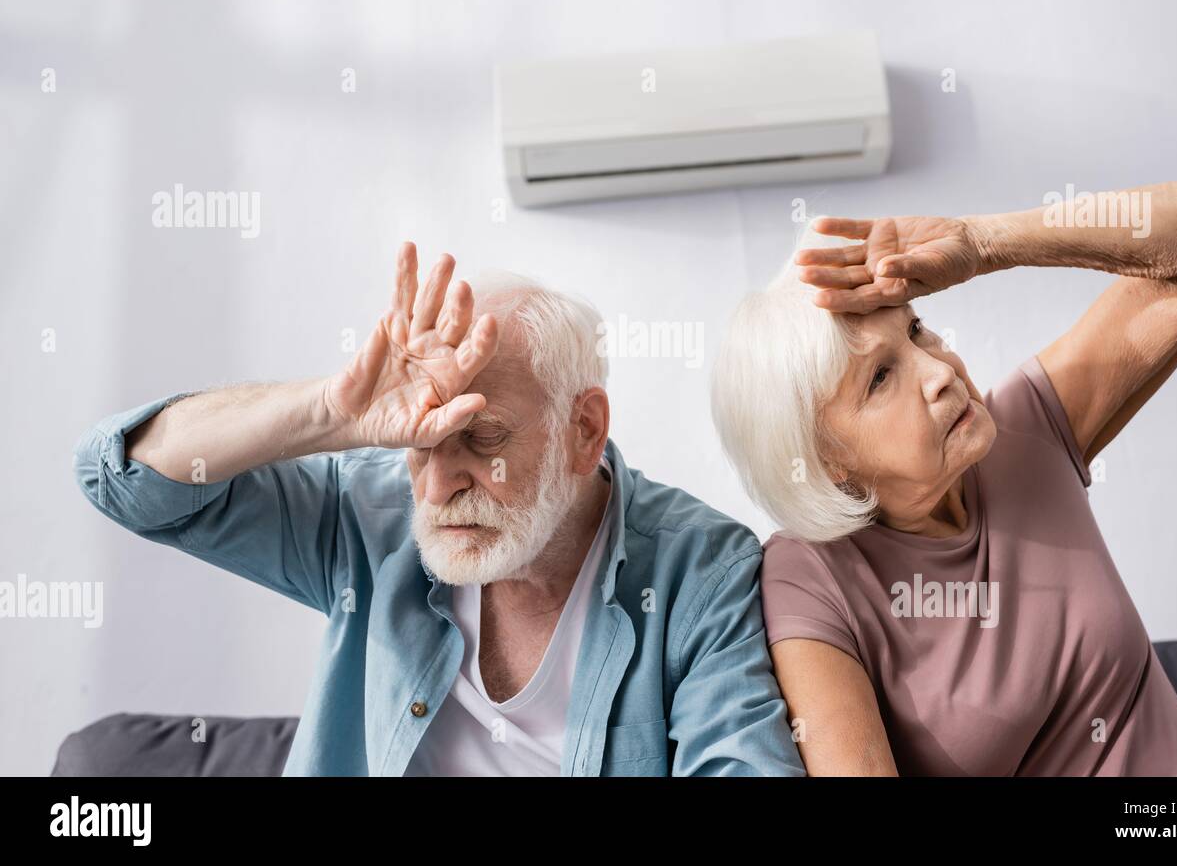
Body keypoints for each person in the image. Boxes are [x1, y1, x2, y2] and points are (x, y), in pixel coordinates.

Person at [74, 244, 805, 777]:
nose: (436, 485)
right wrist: (333, 413)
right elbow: (126, 481)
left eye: (480, 437)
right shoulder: (372, 514)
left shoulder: (702, 570)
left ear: (583, 430)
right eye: (419, 442)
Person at [711, 180, 1177, 775]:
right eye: (880, 378)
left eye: (917, 329)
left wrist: (983, 241)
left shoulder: (1025, 431)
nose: (939, 370)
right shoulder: (809, 578)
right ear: (825, 456)